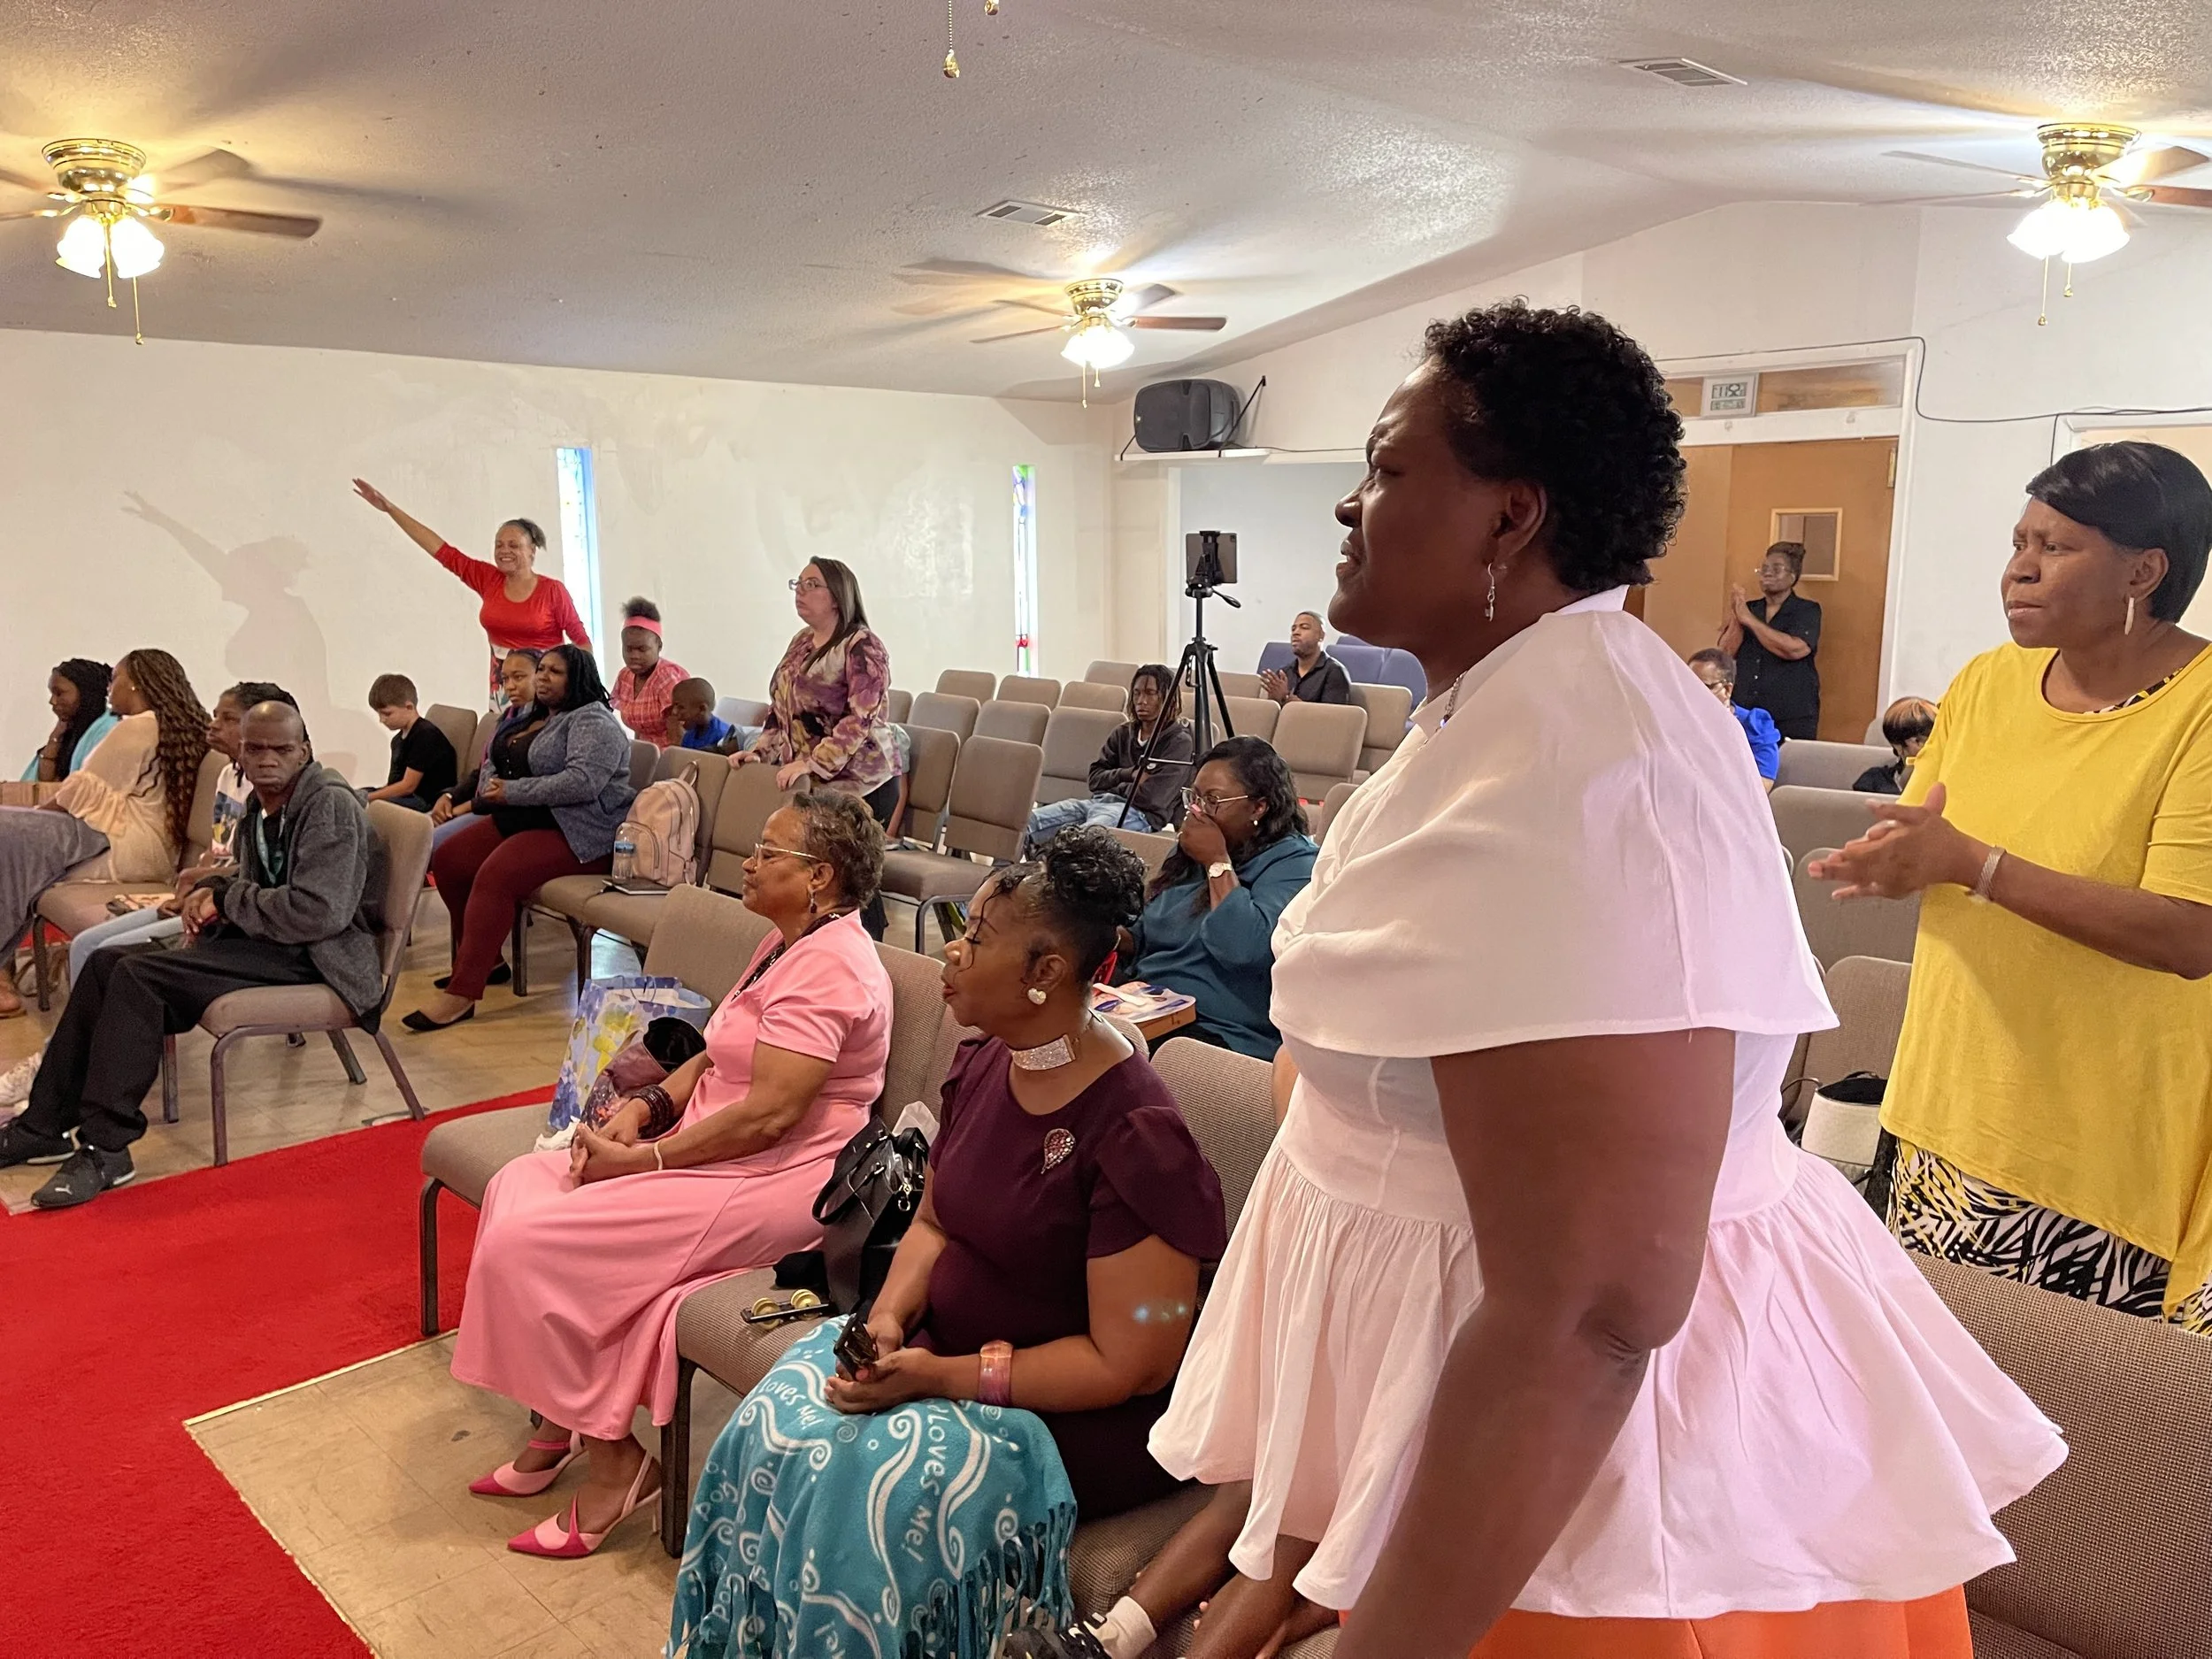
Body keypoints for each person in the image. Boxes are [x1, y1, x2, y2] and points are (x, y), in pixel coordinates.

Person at [1126, 301, 2060, 1659]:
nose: (1348, 499)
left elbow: (1596, 1306)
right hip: (1503, 1452)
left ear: (1512, 517)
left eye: (1387, 468)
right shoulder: (1506, 706)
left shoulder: (1591, 763)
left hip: (1614, 1502)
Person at [670, 828, 1225, 1659]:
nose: (951, 955)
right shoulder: (986, 1063)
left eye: (976, 938)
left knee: (864, 1499)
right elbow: (933, 1221)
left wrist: (943, 1376)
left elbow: (1131, 1362)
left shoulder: (1135, 1130)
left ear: (1045, 973)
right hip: (943, 1354)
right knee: (775, 1430)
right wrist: (890, 1321)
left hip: (1074, 1417)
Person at [1814, 441, 2212, 1331]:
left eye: (2055, 548)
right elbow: (1924, 833)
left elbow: (2192, 934)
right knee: (1931, 1416)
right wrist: (1889, 859)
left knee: (2068, 1441)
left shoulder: (2201, 707)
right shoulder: (1988, 682)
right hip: (1945, 1112)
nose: (2017, 572)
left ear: (2143, 570)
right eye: (2017, 542)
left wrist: (1975, 867)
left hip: (2094, 1145)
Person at [449, 790, 895, 1557]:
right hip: (710, 1145)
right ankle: (560, 1420)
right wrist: (649, 1105)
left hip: (778, 1175)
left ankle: (619, 1463)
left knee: (536, 1244)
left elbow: (769, 1116)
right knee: (518, 1186)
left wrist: (643, 1160)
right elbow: (717, 1050)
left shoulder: (833, 970)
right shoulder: (784, 939)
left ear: (820, 875)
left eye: (766, 852)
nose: (746, 862)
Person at [0, 702, 383, 1209]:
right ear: (241, 752)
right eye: (256, 748)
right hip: (271, 942)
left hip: (321, 958)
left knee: (139, 978)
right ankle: (42, 1124)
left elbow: (319, 912)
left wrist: (226, 898)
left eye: (281, 748)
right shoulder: (265, 805)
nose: (267, 759)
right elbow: (260, 882)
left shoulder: (327, 805)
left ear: (304, 751)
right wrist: (213, 889)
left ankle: (107, 1147)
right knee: (105, 963)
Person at [0, 682, 295, 1111]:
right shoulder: (231, 775)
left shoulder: (285, 793)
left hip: (231, 910)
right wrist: (196, 879)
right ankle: (62, 1064)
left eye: (229, 719)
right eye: (217, 715)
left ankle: (69, 1073)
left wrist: (205, 886)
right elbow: (224, 852)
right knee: (88, 946)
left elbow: (266, 878)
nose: (214, 726)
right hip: (210, 892)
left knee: (113, 953)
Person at [408, 645, 634, 1030]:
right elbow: (494, 759)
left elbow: (583, 783)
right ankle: (486, 961)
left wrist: (512, 792)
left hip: (579, 830)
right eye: (541, 669)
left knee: (496, 874)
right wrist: (489, 786)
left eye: (555, 672)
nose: (543, 677)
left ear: (576, 677)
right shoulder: (533, 715)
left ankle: (462, 993)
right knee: (449, 858)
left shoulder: (593, 722)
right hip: (527, 818)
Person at [0, 649, 208, 1019]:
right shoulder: (170, 723)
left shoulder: (140, 725)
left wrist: (28, 819)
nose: (110, 687)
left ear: (135, 684)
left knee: (10, 838)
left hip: (124, 845)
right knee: (15, 841)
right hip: (147, 848)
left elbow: (77, 796)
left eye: (116, 678)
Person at [1120, 737, 1317, 1060]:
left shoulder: (1297, 866)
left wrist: (1216, 862)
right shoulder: (1193, 850)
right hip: (1147, 1006)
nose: (1197, 811)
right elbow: (1146, 936)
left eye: (1212, 800)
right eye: (1194, 797)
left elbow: (1244, 950)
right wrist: (1101, 934)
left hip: (1220, 1029)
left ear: (1259, 806)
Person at [738, 557, 898, 935]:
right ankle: (819, 953)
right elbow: (782, 708)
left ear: (838, 596)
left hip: (862, 782)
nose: (801, 591)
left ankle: (869, 954)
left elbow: (861, 717)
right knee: (823, 879)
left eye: (813, 584)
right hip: (817, 783)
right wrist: (760, 751)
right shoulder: (801, 643)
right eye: (799, 583)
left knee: (846, 881)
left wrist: (812, 763)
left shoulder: (862, 646)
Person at [350, 479, 590, 693]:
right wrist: (390, 510)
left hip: (544, 687)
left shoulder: (552, 590)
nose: (504, 551)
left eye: (514, 545)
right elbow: (442, 551)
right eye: (499, 545)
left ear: (532, 551)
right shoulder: (488, 579)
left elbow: (581, 641)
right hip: (504, 686)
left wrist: (582, 691)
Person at [1023, 664, 1194, 855]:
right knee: (1025, 823)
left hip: (1138, 814)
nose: (1141, 701)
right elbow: (1095, 780)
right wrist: (1129, 775)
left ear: (1167, 697)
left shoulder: (1179, 742)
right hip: (1098, 802)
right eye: (1136, 693)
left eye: (1150, 693)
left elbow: (1153, 799)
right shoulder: (1123, 733)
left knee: (1083, 841)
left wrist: (1113, 783)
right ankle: (1001, 877)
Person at [1719, 539, 1823, 740]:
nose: (1767, 573)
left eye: (1777, 569)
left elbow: (1795, 649)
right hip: (1746, 709)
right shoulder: (1749, 609)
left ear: (1792, 577)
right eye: (1764, 568)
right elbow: (1725, 653)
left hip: (1791, 712)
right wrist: (1737, 614)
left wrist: (1750, 620)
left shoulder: (1807, 610)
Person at [1687, 647, 1780, 787]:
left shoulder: (1754, 725)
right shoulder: (1677, 721)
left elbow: (1762, 786)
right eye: (1687, 685)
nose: (1691, 694)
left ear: (1727, 690)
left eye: (1702, 687)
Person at [364, 673, 457, 811]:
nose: (382, 720)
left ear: (409, 707)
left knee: (367, 804)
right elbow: (395, 783)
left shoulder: (425, 735)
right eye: (379, 714)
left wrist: (368, 798)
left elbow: (408, 786)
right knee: (347, 795)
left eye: (387, 714)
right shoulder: (398, 740)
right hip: (407, 796)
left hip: (425, 800)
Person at [21, 659, 117, 783]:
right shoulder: (69, 731)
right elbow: (44, 784)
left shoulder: (108, 728)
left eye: (59, 693)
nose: (52, 701)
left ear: (85, 693)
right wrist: (55, 739)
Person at [610, 596, 687, 747]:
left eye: (642, 649)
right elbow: (639, 728)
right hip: (644, 755)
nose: (634, 656)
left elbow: (678, 738)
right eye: (629, 649)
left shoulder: (666, 678)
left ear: (659, 646)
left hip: (670, 758)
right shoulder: (624, 677)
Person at [1258, 611, 1353, 705]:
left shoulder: (1334, 672)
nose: (1296, 633)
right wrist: (1273, 700)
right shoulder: (1284, 673)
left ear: (1321, 635)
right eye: (1293, 629)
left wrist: (1286, 697)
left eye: (1304, 627)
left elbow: (1333, 717)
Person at [1854, 695, 1939, 795]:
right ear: (1898, 746)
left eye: (1935, 738)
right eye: (1918, 740)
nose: (1929, 746)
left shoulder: (1949, 781)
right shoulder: (1873, 781)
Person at [665, 677, 738, 753]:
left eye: (681, 707)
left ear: (701, 709)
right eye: (674, 706)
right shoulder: (690, 734)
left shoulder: (725, 738)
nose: (674, 712)